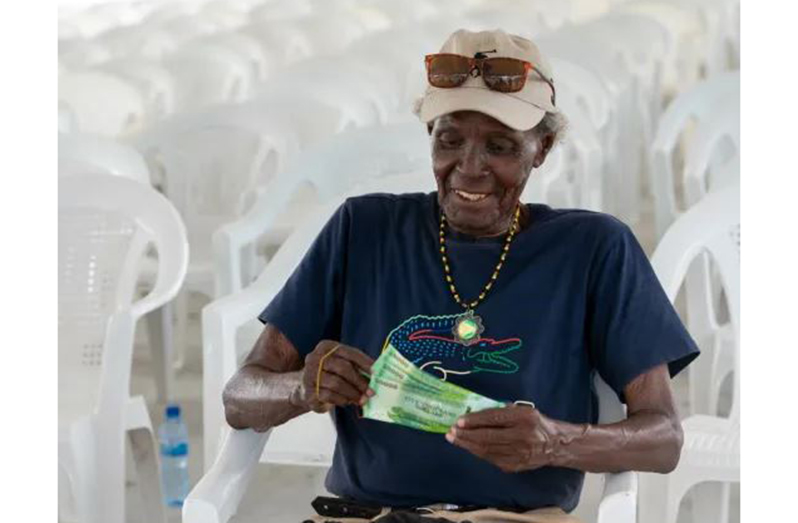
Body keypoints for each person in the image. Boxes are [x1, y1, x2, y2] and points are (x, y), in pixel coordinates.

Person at [222, 29, 699, 523]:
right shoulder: (361, 229)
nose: (469, 168)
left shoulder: (594, 247)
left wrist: (555, 442)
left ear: (542, 148)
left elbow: (663, 439)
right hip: (368, 516)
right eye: (449, 140)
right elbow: (240, 397)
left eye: (500, 146)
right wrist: (302, 387)